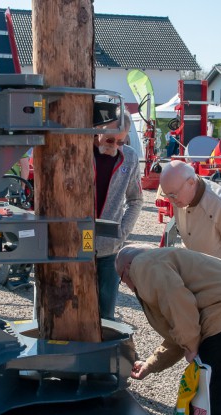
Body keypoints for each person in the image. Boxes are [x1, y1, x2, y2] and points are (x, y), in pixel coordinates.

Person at [116, 245, 221, 415]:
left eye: (121, 279)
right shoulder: (168, 259)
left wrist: (191, 346)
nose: (127, 286)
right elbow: (179, 327)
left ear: (127, 268)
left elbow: (178, 303)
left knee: (212, 396)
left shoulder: (143, 264)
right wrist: (150, 364)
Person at [93, 110, 143, 320]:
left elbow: (136, 200)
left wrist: (122, 233)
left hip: (109, 249)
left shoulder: (129, 157)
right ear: (97, 130)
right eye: (110, 140)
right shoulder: (78, 152)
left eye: (121, 142)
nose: (114, 146)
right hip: (74, 245)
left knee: (106, 315)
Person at [159, 160, 221, 267]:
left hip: (220, 275)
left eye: (173, 195)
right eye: (167, 195)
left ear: (191, 183)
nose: (171, 201)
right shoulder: (180, 199)